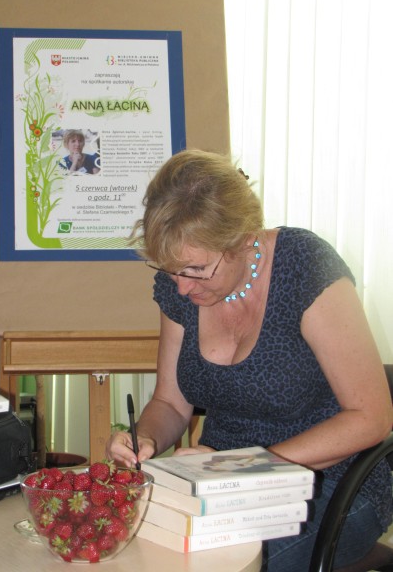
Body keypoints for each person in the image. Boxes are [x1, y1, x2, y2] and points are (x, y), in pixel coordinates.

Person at [106, 149, 393, 571]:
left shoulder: (304, 267)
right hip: (218, 483)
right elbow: (170, 403)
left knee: (215, 564)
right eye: (169, 270)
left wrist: (244, 468)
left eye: (196, 269)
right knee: (126, 543)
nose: (181, 288)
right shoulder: (181, 284)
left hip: (332, 482)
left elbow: (372, 417)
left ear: (243, 239)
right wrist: (143, 437)